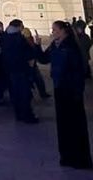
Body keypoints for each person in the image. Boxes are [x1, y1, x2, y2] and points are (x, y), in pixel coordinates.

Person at [36, 21, 93, 169]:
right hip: (59, 88)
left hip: (71, 90)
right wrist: (36, 45)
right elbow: (43, 59)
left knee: (76, 125)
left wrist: (77, 92)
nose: (52, 32)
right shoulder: (55, 45)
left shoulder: (71, 46)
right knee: (63, 125)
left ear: (63, 31)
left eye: (55, 29)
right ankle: (67, 156)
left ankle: (80, 159)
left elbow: (79, 70)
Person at [0, 19, 37, 123]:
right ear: (19, 27)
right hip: (21, 68)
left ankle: (19, 114)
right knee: (25, 93)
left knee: (16, 93)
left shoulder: (5, 37)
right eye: (22, 26)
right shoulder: (19, 38)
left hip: (11, 69)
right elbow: (28, 53)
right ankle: (27, 115)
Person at [22, 28, 50, 100]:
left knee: (38, 79)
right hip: (28, 65)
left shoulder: (30, 42)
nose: (29, 37)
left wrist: (38, 45)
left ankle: (42, 93)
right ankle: (34, 94)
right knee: (32, 80)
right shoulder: (24, 43)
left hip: (32, 64)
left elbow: (37, 53)